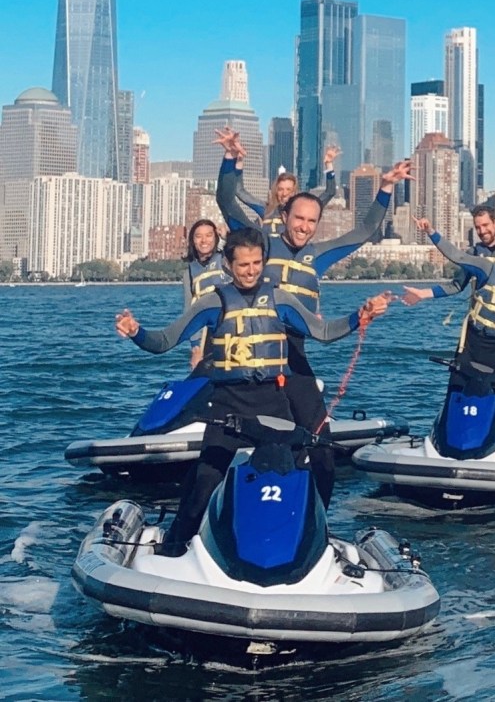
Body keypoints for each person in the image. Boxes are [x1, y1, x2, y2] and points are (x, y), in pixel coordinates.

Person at [115, 227, 393, 555]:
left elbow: (323, 331)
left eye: (257, 263)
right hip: (227, 407)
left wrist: (359, 316)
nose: (251, 271)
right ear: (228, 266)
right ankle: (175, 546)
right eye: (244, 264)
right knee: (205, 481)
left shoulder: (280, 299)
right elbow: (163, 341)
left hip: (272, 403)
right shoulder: (212, 302)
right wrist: (136, 332)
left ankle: (303, 544)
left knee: (300, 473)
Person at [214, 126, 411, 507]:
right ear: (284, 214)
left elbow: (366, 230)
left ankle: (317, 522)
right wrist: (229, 161)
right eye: (298, 219)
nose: (304, 228)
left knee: (321, 446)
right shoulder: (260, 243)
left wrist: (386, 187)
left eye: (312, 222)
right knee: (221, 455)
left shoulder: (317, 256)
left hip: (294, 357)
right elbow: (226, 201)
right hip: (249, 357)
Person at [404, 217, 495, 458]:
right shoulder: (487, 268)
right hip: (473, 342)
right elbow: (458, 257)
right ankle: (446, 440)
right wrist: (431, 232)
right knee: (457, 389)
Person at [235, 145, 340, 238]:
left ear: (294, 191)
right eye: (280, 189)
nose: (284, 193)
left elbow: (330, 192)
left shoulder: (303, 210)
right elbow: (239, 191)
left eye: (288, 189)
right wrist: (239, 161)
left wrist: (329, 164)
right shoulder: (266, 209)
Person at [183, 219, 228, 368]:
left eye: (209, 235)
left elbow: (243, 250)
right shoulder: (190, 271)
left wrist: (228, 237)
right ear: (192, 241)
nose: (204, 240)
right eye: (198, 236)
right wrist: (195, 346)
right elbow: (189, 310)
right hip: (206, 334)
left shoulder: (225, 259)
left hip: (230, 328)